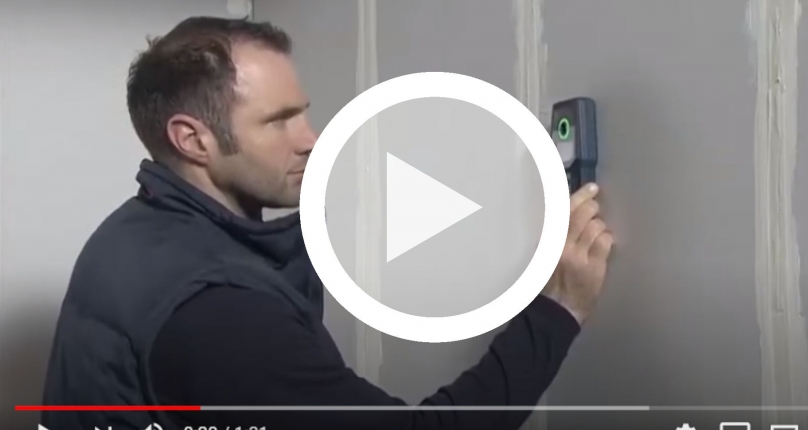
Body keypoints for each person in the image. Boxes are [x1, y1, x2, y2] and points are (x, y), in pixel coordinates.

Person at [41, 17, 615, 430]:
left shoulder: (136, 231)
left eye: (304, 113)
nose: (311, 139)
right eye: (279, 121)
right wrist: (558, 310)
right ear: (194, 140)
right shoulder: (216, 311)